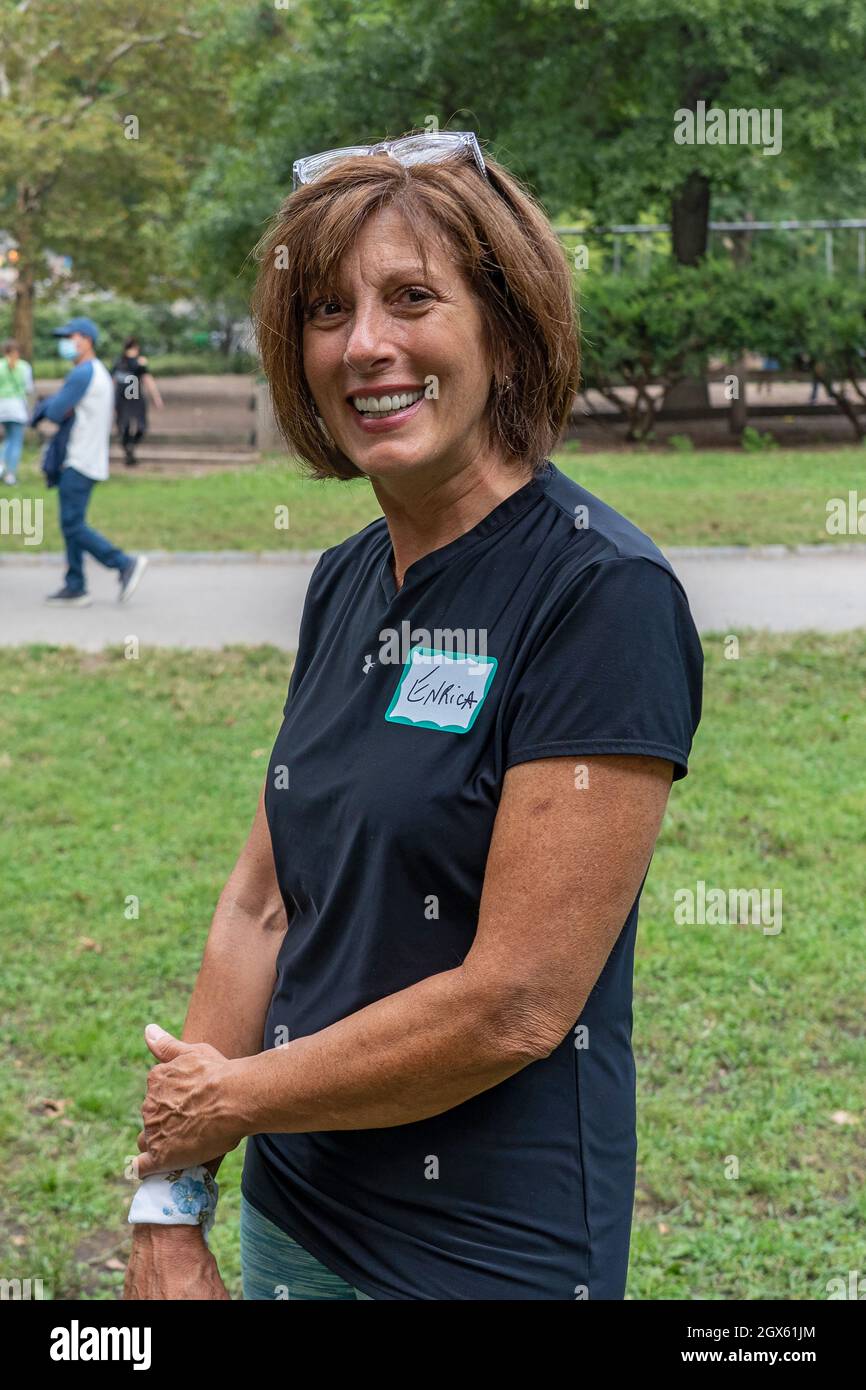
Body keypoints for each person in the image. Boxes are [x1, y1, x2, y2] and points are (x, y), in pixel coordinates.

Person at [123, 132, 703, 1302]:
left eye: (410, 298)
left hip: (478, 1255)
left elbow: (515, 1003)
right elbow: (261, 900)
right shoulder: (344, 578)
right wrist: (168, 1208)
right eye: (327, 310)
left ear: (500, 320)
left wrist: (228, 1100)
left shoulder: (600, 596)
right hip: (292, 1220)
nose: (367, 345)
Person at [39, 316, 148, 606]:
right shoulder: (97, 371)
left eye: (69, 336)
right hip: (90, 459)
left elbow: (54, 411)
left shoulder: (83, 373)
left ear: (86, 340)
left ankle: (123, 563)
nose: (65, 343)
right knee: (71, 523)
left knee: (73, 526)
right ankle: (75, 585)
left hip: (79, 461)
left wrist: (45, 407)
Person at [111, 336, 164, 466]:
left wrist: (156, 397)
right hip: (124, 398)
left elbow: (147, 378)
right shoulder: (119, 362)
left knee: (140, 426)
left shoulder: (139, 363)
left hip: (134, 396)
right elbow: (112, 380)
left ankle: (130, 447)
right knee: (125, 427)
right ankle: (129, 452)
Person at [0, 338, 34, 485]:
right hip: (17, 407)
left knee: (8, 439)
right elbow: (28, 389)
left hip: (2, 406)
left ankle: (1, 466)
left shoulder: (0, 366)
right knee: (16, 441)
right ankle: (10, 474)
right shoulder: (24, 367)